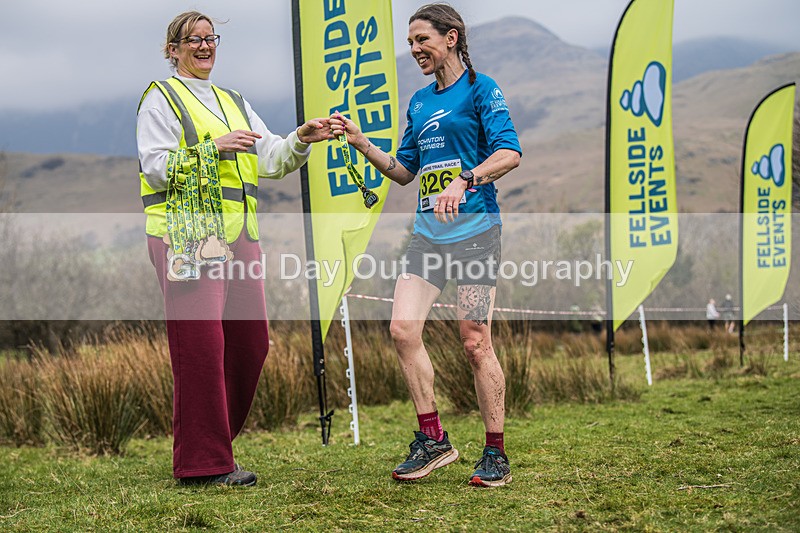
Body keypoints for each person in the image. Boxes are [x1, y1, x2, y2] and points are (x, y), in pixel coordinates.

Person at [137, 11, 331, 486]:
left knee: (250, 345)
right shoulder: (159, 98)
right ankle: (203, 464)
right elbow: (155, 165)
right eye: (193, 40)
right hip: (188, 236)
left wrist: (301, 140)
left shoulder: (234, 100)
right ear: (173, 49)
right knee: (201, 348)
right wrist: (214, 149)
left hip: (241, 238)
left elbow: (271, 158)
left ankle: (208, 441)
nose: (204, 46)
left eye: (210, 38)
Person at [331, 3, 521, 487]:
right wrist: (360, 142)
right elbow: (404, 171)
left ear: (451, 37)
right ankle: (434, 439)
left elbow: (510, 152)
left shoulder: (482, 89)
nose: (414, 49)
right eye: (411, 41)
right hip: (427, 237)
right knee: (401, 330)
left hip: (477, 233)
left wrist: (465, 180)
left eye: (423, 40)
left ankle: (495, 452)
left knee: (475, 343)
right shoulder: (418, 103)